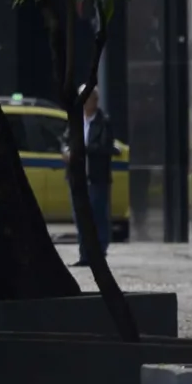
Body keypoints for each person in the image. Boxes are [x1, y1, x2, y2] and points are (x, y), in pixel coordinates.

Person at [75, 87, 117, 266]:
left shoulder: (103, 122)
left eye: (89, 98)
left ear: (95, 100)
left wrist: (84, 150)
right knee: (81, 217)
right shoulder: (76, 120)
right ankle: (84, 255)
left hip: (96, 177)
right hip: (78, 178)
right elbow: (65, 139)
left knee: (98, 215)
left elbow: (105, 147)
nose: (85, 102)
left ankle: (99, 253)